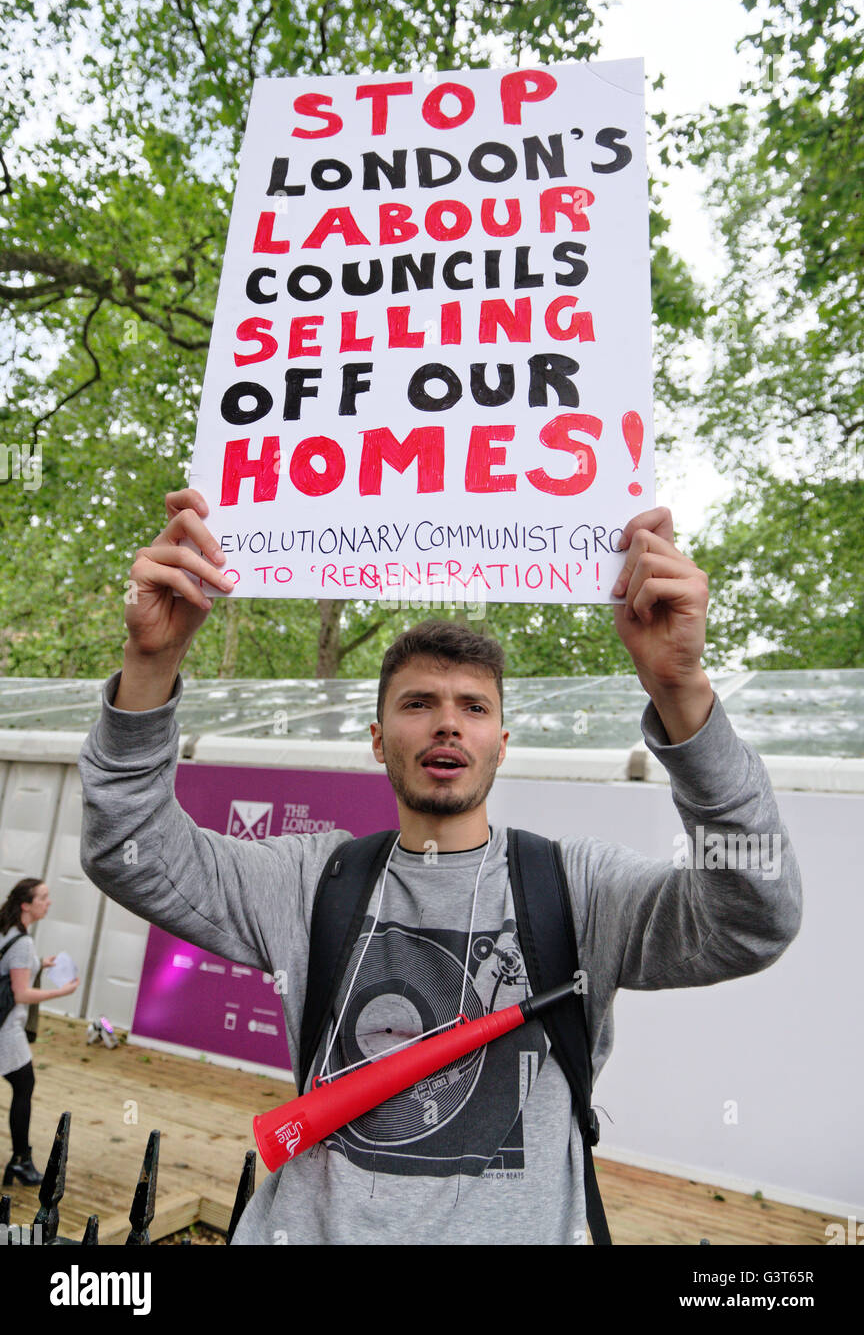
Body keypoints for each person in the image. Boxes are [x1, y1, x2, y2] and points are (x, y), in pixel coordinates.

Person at [77, 489, 802, 1245]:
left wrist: (681, 691)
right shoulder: (310, 879)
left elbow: (754, 917)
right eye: (418, 702)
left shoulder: (577, 889)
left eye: (474, 707)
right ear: (377, 739)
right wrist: (149, 662)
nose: (448, 721)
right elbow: (130, 850)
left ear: (501, 742)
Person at [1, 879, 80, 1186]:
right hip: (6, 1028)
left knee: (22, 1085)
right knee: (24, 1085)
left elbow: (10, 969)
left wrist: (38, 964)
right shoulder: (23, 943)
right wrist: (61, 993)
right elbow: (21, 994)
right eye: (43, 897)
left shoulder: (6, 929)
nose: (49, 902)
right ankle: (20, 1160)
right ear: (26, 904)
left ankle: (20, 1158)